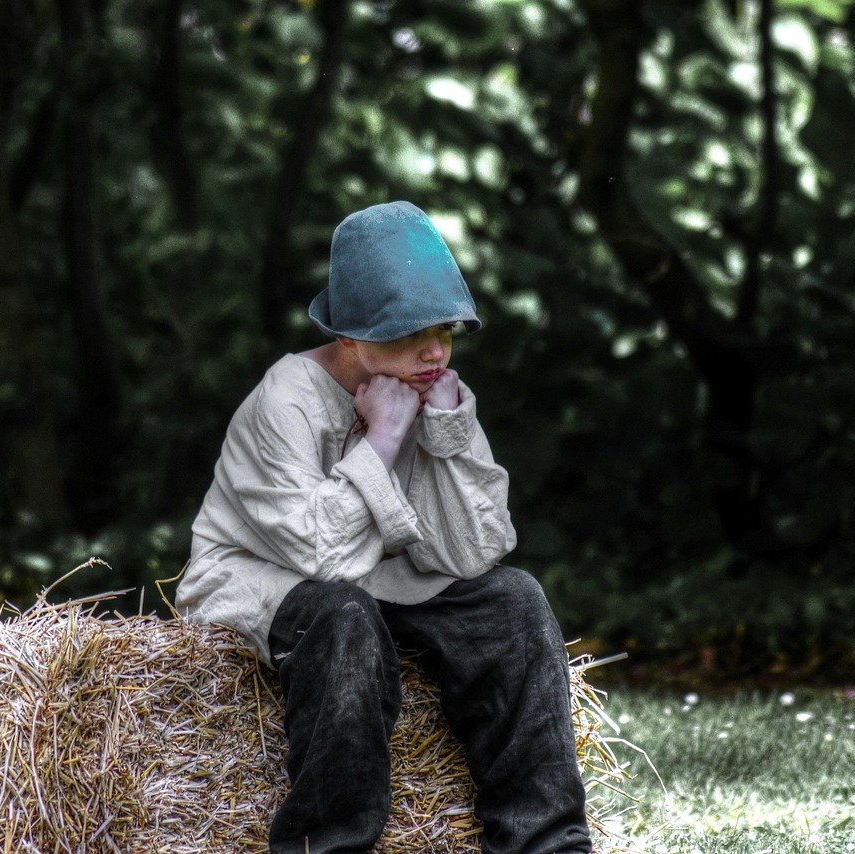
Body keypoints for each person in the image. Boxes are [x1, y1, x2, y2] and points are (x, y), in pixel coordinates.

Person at [175, 201, 592, 854]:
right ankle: (330, 845)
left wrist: (448, 435)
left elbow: (474, 551)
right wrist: (386, 438)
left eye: (445, 331)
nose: (433, 352)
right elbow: (322, 557)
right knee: (345, 618)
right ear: (349, 335)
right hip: (266, 577)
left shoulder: (432, 387)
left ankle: (546, 845)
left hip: (382, 577)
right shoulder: (284, 401)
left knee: (513, 600)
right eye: (407, 334)